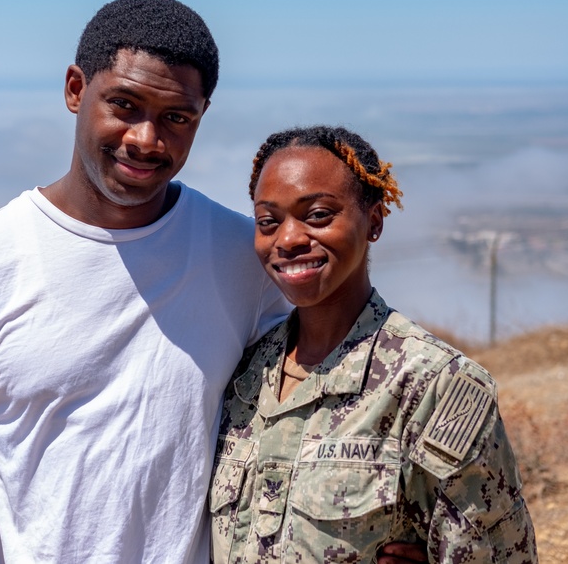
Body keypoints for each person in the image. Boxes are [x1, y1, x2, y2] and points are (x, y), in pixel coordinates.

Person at [0, 0, 293, 563]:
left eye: (176, 117)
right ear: (76, 89)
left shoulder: (242, 258)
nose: (147, 140)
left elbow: (321, 413)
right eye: (124, 104)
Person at [209, 126, 537, 563]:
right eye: (268, 221)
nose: (287, 239)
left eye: (319, 215)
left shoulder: (436, 386)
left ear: (375, 221)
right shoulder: (246, 375)